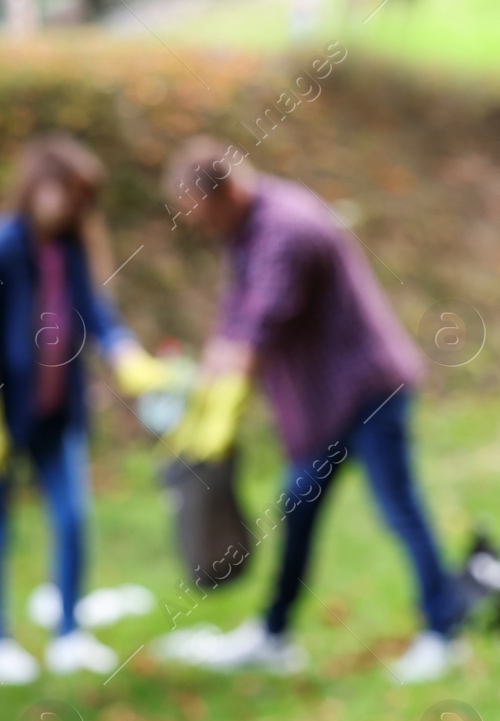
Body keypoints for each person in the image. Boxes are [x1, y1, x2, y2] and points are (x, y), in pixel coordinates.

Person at [161, 138, 465, 683]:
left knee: (398, 508)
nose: (203, 228)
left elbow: (261, 326)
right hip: (327, 400)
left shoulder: (288, 228)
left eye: (203, 216)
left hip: (368, 390)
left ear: (225, 191)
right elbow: (234, 314)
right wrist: (204, 390)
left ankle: (445, 633)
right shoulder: (245, 229)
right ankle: (274, 636)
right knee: (297, 508)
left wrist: (221, 406)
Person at [0, 134, 177, 685]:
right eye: (69, 193)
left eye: (85, 198)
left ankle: (70, 633)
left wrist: (131, 360)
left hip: (57, 415)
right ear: (38, 186)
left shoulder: (72, 250)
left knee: (73, 519)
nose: (76, 207)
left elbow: (99, 319)